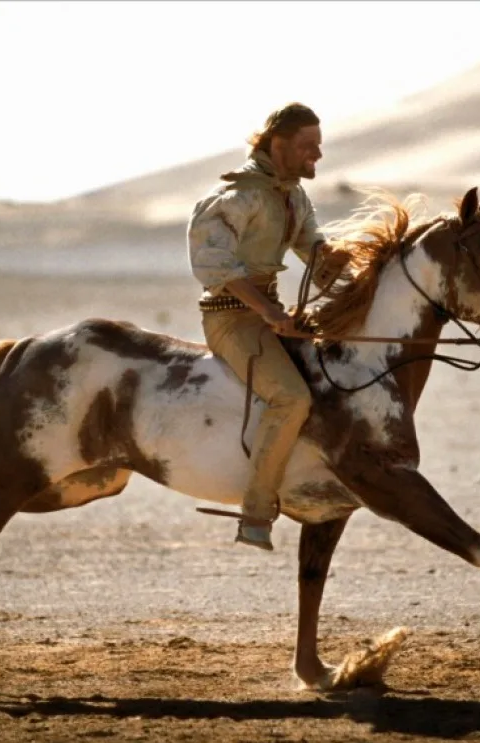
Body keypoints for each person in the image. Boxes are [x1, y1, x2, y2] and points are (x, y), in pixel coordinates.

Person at [187, 102, 349, 552]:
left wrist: (342, 267)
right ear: (278, 145)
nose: (316, 155)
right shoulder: (237, 197)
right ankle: (256, 512)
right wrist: (269, 313)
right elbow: (215, 266)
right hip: (229, 316)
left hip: (269, 311)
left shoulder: (293, 195)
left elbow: (313, 252)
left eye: (319, 146)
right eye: (307, 146)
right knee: (291, 397)